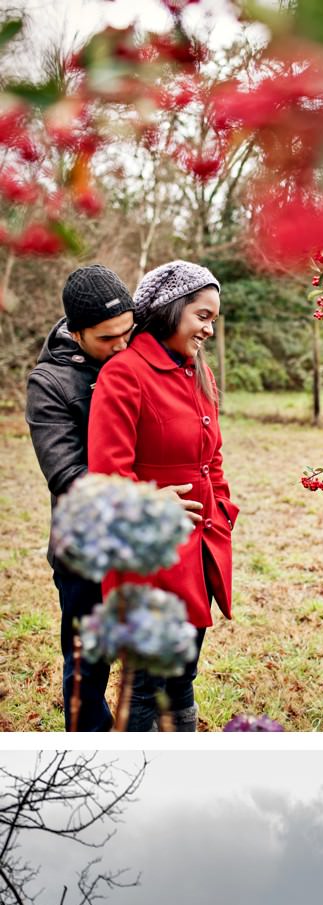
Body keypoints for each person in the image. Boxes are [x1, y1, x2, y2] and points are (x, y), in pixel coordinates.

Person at [24, 263, 200, 730]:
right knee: (88, 670)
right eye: (107, 338)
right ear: (76, 333)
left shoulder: (141, 355)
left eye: (128, 332)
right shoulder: (49, 384)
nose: (122, 345)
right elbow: (68, 476)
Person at [87, 260, 234, 732]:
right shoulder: (124, 373)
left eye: (214, 319)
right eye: (202, 316)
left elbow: (212, 456)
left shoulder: (199, 373)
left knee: (184, 673)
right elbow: (106, 475)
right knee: (147, 684)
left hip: (200, 549)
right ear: (171, 310)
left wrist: (222, 510)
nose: (209, 329)